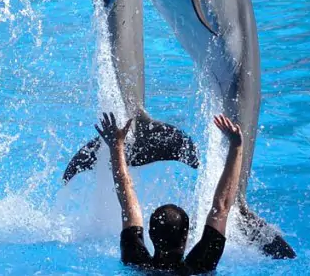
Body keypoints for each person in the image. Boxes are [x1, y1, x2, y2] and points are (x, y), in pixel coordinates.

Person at [95, 112, 245, 274]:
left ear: (151, 234)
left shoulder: (135, 261)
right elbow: (221, 207)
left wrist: (117, 146)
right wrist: (236, 146)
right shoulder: (200, 265)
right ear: (186, 236)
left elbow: (128, 204)